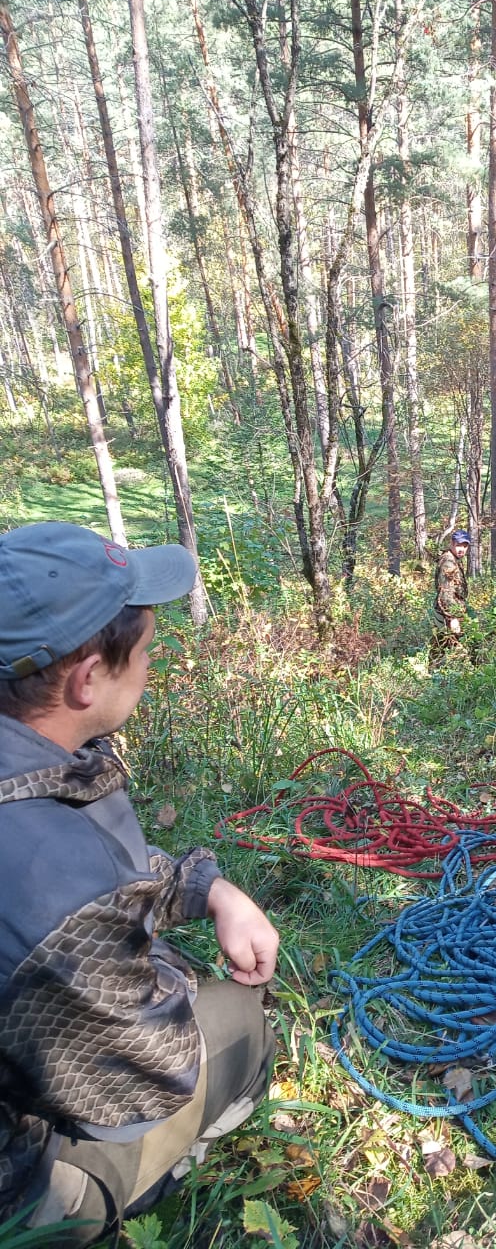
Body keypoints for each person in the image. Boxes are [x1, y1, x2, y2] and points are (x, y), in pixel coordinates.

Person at [0, 522, 278, 1243]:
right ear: (87, 678)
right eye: (149, 651)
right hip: (13, 1185)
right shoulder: (51, 885)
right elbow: (135, 1084)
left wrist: (209, 888)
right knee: (243, 1023)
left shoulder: (32, 768)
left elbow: (97, 860)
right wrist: (168, 971)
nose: (152, 666)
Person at [431, 529, 470, 655]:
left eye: (465, 546)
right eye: (459, 545)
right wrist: (453, 617)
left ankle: (433, 671)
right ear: (452, 544)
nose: (462, 549)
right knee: (448, 649)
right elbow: (446, 593)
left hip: (450, 612)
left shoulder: (454, 560)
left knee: (442, 648)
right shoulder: (448, 562)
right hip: (446, 614)